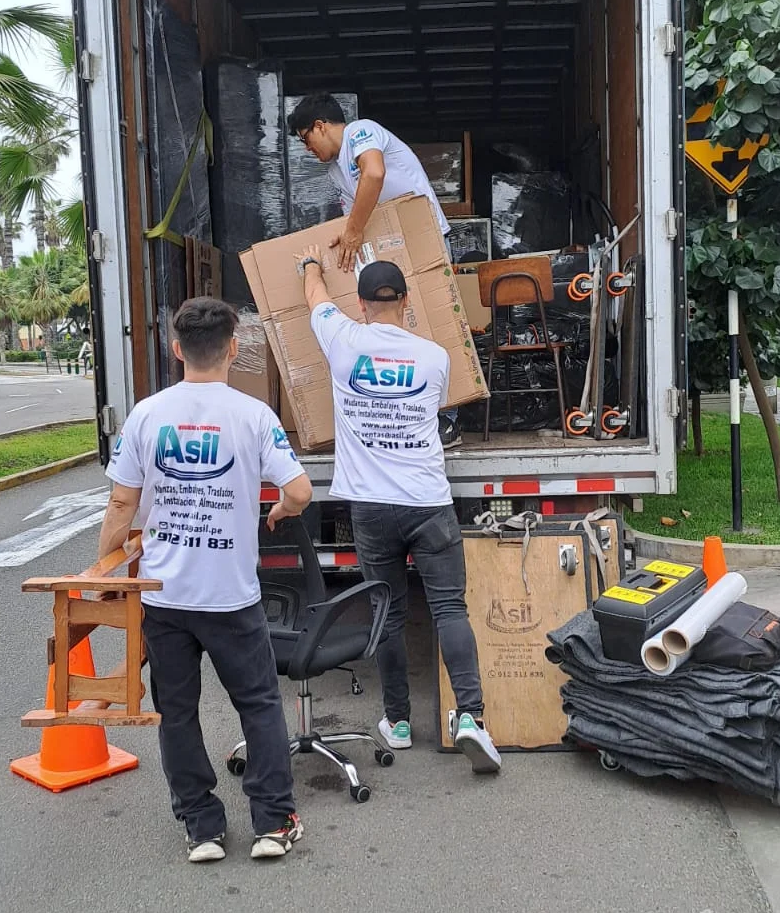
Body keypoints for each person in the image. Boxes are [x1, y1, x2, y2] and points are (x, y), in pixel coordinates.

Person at [97, 296, 313, 863]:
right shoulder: (254, 415)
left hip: (165, 597)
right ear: (233, 349)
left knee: (178, 711)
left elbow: (122, 504)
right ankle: (273, 822)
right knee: (260, 704)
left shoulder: (146, 415)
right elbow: (300, 491)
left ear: (176, 350)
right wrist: (278, 511)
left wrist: (102, 574)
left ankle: (202, 827)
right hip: (231, 596)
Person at [298, 245, 500, 773]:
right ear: (406, 302)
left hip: (371, 508)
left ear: (362, 305)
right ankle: (472, 719)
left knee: (388, 615)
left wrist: (310, 264)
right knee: (449, 610)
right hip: (428, 503)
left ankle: (399, 721)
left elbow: (314, 297)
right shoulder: (435, 357)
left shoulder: (342, 341)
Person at [286, 92, 460, 447]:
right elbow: (355, 216)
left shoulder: (361, 133)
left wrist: (352, 231)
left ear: (320, 126)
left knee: (432, 327)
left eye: (306, 140)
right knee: (398, 331)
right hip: (393, 249)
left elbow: (375, 173)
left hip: (423, 239)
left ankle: (449, 420)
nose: (308, 150)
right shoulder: (336, 172)